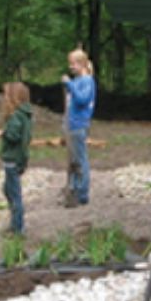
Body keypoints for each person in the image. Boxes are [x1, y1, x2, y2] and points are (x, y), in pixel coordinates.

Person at [62, 49, 95, 207]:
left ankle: (82, 192)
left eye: (74, 63)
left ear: (82, 64)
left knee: (81, 159)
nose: (71, 66)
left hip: (79, 124)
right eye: (70, 63)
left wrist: (69, 84)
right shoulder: (78, 81)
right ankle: (73, 189)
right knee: (74, 159)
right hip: (71, 124)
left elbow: (82, 99)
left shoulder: (87, 81)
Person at [0, 82, 33, 234]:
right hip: (19, 158)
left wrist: (3, 133)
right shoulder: (26, 115)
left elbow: (14, 136)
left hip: (12, 160)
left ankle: (18, 227)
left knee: (14, 194)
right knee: (8, 189)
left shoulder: (16, 116)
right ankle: (15, 222)